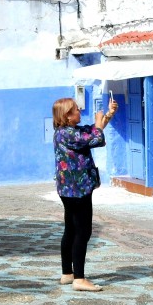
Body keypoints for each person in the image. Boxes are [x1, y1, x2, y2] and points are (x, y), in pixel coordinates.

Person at [52, 94, 117, 292]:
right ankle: (79, 278)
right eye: (76, 110)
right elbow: (96, 139)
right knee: (83, 231)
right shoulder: (66, 134)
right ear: (67, 115)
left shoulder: (68, 131)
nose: (80, 111)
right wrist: (98, 122)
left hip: (70, 187)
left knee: (71, 229)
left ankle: (67, 273)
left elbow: (91, 134)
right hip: (77, 188)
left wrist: (107, 116)